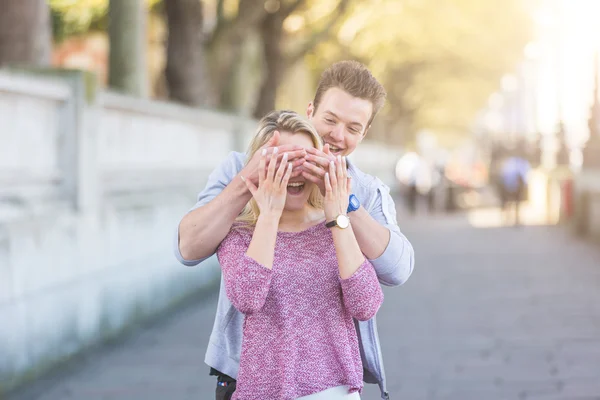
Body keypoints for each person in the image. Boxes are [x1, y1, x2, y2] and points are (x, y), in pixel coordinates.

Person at [174, 60, 415, 400]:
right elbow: (188, 249)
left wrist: (343, 207)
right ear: (311, 110)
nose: (337, 136)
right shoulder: (238, 170)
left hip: (336, 379)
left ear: (365, 133)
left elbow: (396, 272)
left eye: (353, 127)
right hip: (246, 373)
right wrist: (252, 184)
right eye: (330, 120)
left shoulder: (365, 190)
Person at [218, 110, 383, 399]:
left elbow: (366, 305)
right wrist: (269, 216)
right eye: (283, 161)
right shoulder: (239, 233)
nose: (295, 172)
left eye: (305, 160)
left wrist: (337, 218)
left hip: (337, 391)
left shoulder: (336, 226)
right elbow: (247, 297)